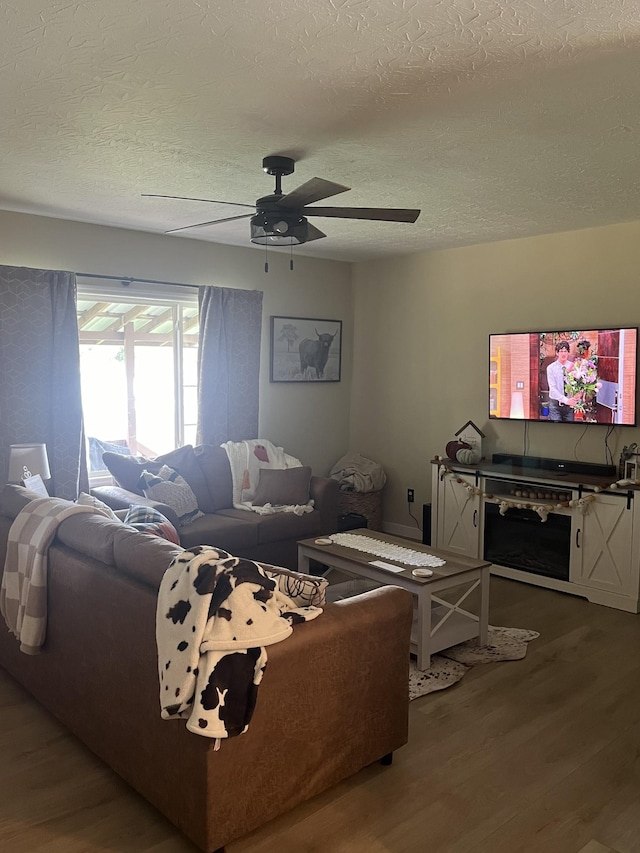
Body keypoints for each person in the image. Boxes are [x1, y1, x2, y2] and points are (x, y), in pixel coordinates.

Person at [546, 341, 581, 421]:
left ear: (568, 352)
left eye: (565, 351)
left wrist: (578, 394)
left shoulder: (573, 366)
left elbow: (578, 385)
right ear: (557, 353)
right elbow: (553, 389)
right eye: (561, 351)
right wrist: (566, 400)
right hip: (555, 405)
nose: (563, 353)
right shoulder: (551, 368)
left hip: (569, 406)